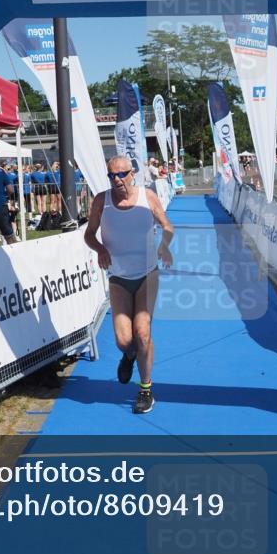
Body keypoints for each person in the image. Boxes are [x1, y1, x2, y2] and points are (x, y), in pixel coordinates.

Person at [84, 155, 175, 414]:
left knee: (143, 332)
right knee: (125, 340)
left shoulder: (148, 198)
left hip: (147, 274)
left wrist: (164, 246)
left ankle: (145, 389)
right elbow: (89, 233)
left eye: (121, 174)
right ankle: (129, 354)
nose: (116, 180)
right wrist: (99, 248)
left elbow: (167, 226)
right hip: (118, 277)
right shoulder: (102, 201)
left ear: (132, 173)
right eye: (111, 176)